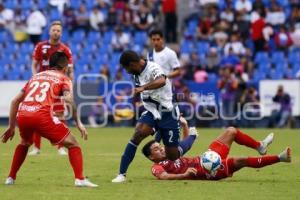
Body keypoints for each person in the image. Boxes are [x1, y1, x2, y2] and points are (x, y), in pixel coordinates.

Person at [1, 52, 97, 187]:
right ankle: (80, 179)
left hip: (23, 115)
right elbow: (69, 100)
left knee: (24, 142)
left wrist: (11, 127)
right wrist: (78, 123)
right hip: (41, 116)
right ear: (65, 67)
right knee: (73, 143)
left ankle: (10, 178)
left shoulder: (36, 76)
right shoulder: (64, 78)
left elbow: (15, 101)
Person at [111, 50, 196, 183]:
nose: (126, 71)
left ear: (133, 64)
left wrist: (143, 88)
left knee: (172, 155)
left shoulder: (153, 68)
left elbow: (162, 80)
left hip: (168, 112)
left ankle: (192, 136)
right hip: (152, 111)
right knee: (137, 134)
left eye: (126, 68)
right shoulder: (136, 74)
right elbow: (141, 90)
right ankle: (121, 174)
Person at [142, 127, 291, 180]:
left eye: (159, 146)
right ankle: (280, 157)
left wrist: (186, 126)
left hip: (206, 158)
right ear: (151, 157)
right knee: (242, 160)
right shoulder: (157, 166)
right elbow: (164, 176)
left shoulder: (171, 153)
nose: (161, 149)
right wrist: (185, 175)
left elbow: (183, 145)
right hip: (207, 170)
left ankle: (260, 145)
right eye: (156, 149)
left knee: (231, 131)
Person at [29, 21, 73, 156]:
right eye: (54, 30)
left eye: (58, 30)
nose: (56, 32)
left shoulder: (65, 49)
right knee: (37, 115)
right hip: (43, 86)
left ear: (61, 33)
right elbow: (34, 64)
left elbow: (70, 70)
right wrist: (35, 78)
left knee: (60, 115)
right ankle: (36, 148)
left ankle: (61, 147)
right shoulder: (40, 46)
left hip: (57, 86)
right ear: (49, 31)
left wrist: (69, 85)